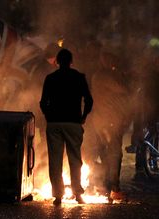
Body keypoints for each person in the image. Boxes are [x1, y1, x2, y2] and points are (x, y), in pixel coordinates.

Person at [39, 48, 93, 205]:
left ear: (57, 62)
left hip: (54, 123)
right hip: (73, 122)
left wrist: (49, 116)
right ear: (71, 61)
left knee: (55, 160)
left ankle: (58, 196)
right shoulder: (79, 77)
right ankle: (77, 194)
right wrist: (83, 117)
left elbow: (43, 102)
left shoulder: (50, 78)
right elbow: (89, 100)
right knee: (75, 159)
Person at [89, 51, 131, 201]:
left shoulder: (98, 75)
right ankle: (113, 187)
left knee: (105, 152)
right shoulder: (106, 76)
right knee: (114, 154)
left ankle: (105, 184)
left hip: (101, 120)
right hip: (110, 120)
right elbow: (123, 90)